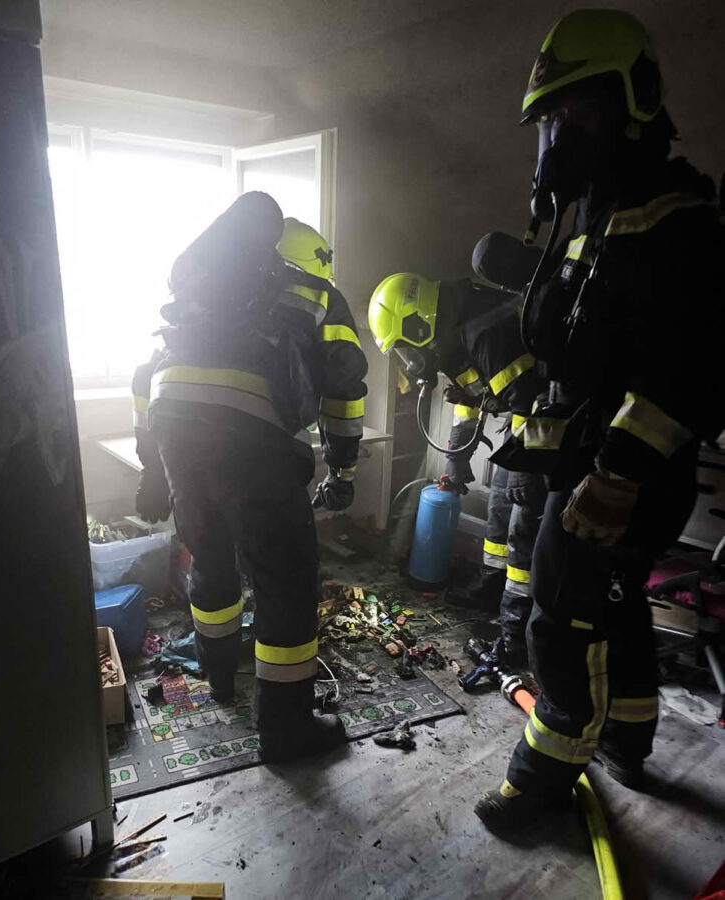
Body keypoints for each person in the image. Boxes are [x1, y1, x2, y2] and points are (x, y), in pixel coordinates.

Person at [474, 9, 724, 830]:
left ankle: (543, 781)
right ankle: (631, 737)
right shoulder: (595, 221)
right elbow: (580, 358)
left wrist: (617, 476)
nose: (558, 136)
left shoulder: (672, 215)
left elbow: (689, 366)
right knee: (615, 607)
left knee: (561, 619)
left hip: (627, 476)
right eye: (549, 120)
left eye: (576, 114)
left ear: (635, 102)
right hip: (589, 466)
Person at [131, 194, 368, 763]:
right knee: (285, 580)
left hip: (174, 423)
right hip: (251, 434)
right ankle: (286, 732)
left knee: (210, 555)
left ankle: (220, 677)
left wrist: (152, 465)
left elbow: (148, 376)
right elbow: (344, 390)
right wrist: (343, 466)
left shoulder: (203, 287)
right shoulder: (316, 293)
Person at [368, 263, 547, 664]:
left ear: (418, 324)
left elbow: (527, 397)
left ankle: (516, 633)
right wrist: (456, 458)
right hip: (526, 423)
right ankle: (491, 587)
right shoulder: (453, 333)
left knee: (523, 523)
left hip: (546, 426)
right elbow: (471, 400)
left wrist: (526, 465)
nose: (407, 357)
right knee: (501, 506)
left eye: (403, 345)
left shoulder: (482, 330)